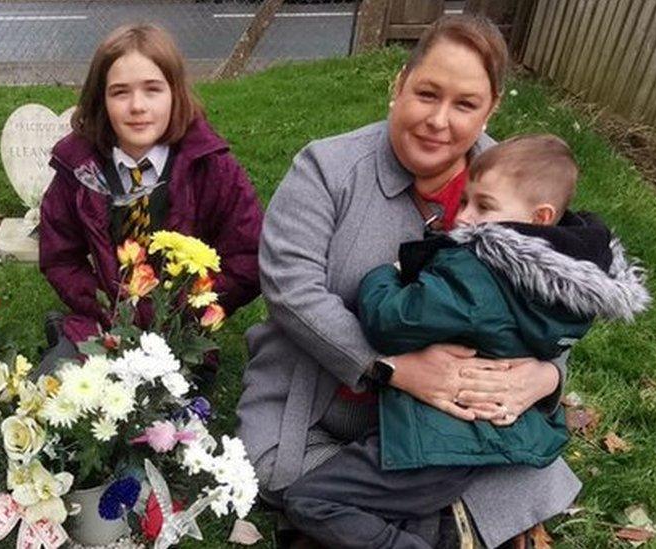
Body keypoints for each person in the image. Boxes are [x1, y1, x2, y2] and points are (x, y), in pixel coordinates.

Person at [236, 14, 583, 548]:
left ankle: (403, 520)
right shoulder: (326, 168)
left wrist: (545, 377)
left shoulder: (513, 183)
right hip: (327, 402)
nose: (438, 121)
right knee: (287, 477)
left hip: (453, 422)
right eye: (427, 94)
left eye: (465, 104)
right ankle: (443, 522)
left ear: (492, 108)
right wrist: (392, 369)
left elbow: (550, 300)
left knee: (376, 491)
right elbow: (290, 289)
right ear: (398, 85)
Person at [279, 134, 650, 548]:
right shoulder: (568, 282)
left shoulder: (476, 272)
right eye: (465, 202)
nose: (465, 218)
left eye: (484, 206)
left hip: (437, 441)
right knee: (390, 506)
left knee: (309, 501)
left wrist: (384, 275)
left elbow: (390, 321)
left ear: (540, 217)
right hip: (488, 440)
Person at [38, 24, 263, 377]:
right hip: (104, 324)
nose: (137, 106)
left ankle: (64, 332)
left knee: (160, 425)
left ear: (175, 93)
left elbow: (247, 255)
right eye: (120, 93)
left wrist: (191, 306)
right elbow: (59, 256)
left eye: (153, 90)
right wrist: (102, 305)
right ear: (100, 99)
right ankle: (67, 334)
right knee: (56, 403)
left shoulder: (211, 167)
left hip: (181, 334)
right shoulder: (79, 168)